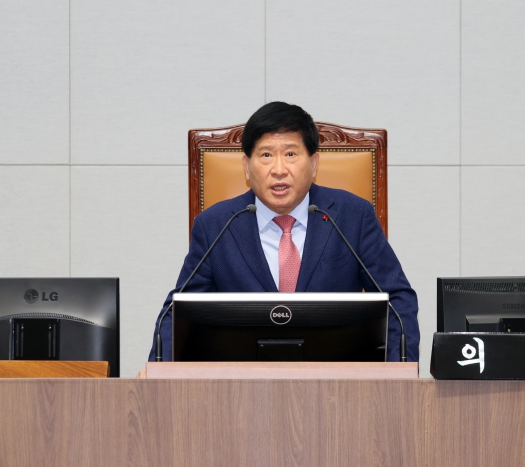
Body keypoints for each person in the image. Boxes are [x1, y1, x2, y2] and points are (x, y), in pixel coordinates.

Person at [148, 101, 419, 361]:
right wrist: (158, 373)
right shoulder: (215, 226)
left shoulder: (352, 216)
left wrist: (397, 374)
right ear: (246, 166)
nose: (279, 170)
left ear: (314, 164)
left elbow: (397, 300)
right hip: (243, 383)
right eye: (266, 155)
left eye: (290, 154)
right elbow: (179, 313)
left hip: (337, 380)